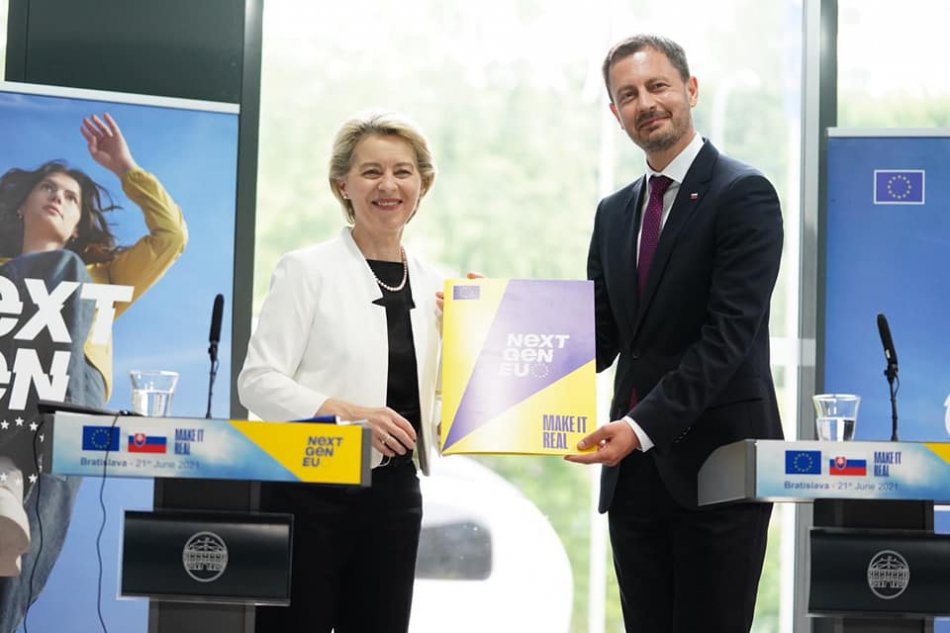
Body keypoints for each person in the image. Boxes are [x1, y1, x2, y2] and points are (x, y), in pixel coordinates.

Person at [565, 34, 784, 632]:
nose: (645, 103)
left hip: (719, 469)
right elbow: (600, 336)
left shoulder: (743, 195)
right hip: (633, 481)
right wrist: (499, 319)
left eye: (657, 86)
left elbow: (726, 339)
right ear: (616, 113)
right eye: (628, 95)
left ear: (690, 89)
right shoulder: (614, 212)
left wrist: (639, 428)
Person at [238, 111, 443, 633]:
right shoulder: (306, 270)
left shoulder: (438, 287)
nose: (388, 185)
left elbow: (446, 398)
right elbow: (257, 381)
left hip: (395, 495)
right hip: (308, 488)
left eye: (403, 171)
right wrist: (345, 415)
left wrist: (486, 319)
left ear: (423, 184)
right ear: (342, 186)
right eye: (371, 172)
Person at [0, 112, 188, 633]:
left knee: (21, 562)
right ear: (21, 206)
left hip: (66, 409)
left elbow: (171, 237)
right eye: (47, 188)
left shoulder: (100, 280)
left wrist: (125, 168)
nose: (58, 198)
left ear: (80, 225)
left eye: (71, 197)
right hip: (4, 387)